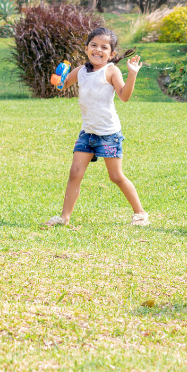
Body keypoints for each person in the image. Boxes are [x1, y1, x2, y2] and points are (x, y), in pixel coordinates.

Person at [44, 27, 149, 227]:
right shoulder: (82, 71)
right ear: (86, 49)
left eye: (104, 47)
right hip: (88, 132)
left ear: (112, 54)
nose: (98, 50)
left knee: (115, 176)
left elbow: (124, 97)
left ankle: (140, 212)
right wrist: (58, 78)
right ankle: (64, 218)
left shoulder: (111, 71)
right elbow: (62, 85)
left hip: (108, 134)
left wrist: (132, 74)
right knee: (75, 172)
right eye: (94, 45)